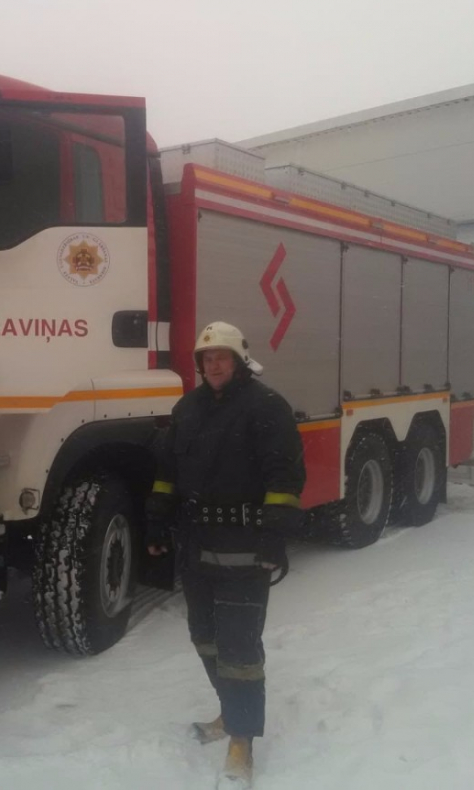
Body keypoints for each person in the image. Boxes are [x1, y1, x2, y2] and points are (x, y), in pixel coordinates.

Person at [145, 321, 306, 790]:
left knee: (238, 647)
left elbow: (284, 477)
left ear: (238, 361)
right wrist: (157, 521)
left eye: (222, 357)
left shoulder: (266, 407)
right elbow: (166, 470)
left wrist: (276, 537)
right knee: (205, 638)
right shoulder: (188, 408)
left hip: (246, 546)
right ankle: (228, 710)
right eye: (206, 358)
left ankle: (242, 740)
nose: (214, 364)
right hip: (196, 544)